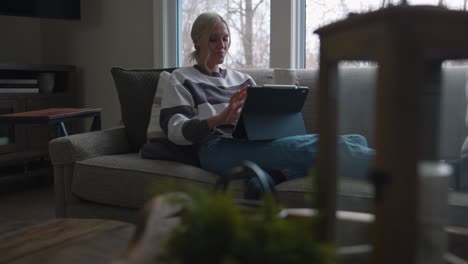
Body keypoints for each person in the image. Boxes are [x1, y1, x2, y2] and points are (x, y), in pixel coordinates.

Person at [159, 12, 374, 191]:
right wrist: (218, 119)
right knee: (327, 147)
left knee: (357, 139)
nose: (221, 45)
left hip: (251, 141)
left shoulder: (243, 80)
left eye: (225, 38)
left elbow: (257, 117)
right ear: (196, 39)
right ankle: (395, 172)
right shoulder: (181, 77)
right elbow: (175, 129)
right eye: (214, 39)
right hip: (214, 148)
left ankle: (282, 174)